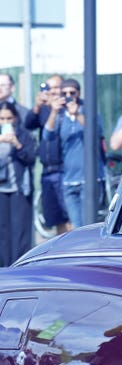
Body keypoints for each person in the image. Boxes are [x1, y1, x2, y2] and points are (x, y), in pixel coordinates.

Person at [42, 78, 105, 229]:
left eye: (72, 92)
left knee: (90, 226)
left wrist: (77, 114)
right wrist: (54, 111)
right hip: (69, 179)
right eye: (65, 93)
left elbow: (94, 133)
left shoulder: (88, 111)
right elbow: (47, 136)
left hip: (89, 178)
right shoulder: (60, 115)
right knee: (76, 227)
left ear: (79, 93)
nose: (69, 95)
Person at [24, 73, 71, 235]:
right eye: (49, 88)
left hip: (64, 169)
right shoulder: (44, 110)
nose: (53, 92)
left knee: (69, 218)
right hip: (47, 170)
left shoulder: (68, 108)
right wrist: (38, 106)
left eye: (57, 87)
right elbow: (28, 124)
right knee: (56, 218)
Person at [0, 101, 36, 266]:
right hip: (2, 190)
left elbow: (31, 158)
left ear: (15, 118)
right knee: (3, 232)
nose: (6, 122)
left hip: (19, 189)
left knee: (20, 232)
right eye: (2, 119)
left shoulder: (23, 135)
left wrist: (17, 145)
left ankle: (19, 267)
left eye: (9, 118)